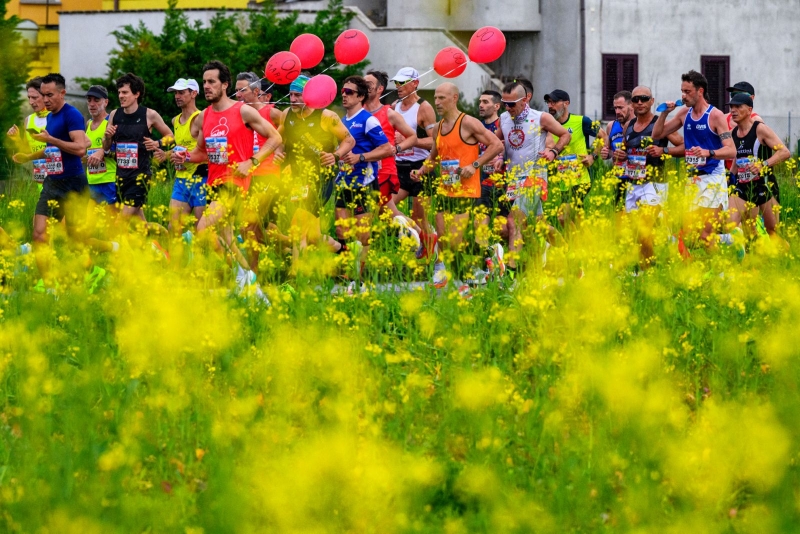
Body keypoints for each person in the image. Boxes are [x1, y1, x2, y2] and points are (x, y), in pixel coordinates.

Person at [172, 60, 281, 302]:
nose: (207, 86)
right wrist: (185, 156)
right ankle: (252, 288)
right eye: (204, 82)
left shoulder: (243, 111)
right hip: (214, 182)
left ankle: (243, 280)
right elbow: (202, 153)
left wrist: (253, 162)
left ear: (225, 85)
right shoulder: (203, 118)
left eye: (212, 82)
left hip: (235, 182)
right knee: (227, 238)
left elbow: (275, 137)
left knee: (203, 229)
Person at [11, 73, 107, 289]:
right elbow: (50, 148)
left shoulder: (71, 115)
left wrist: (51, 139)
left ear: (62, 93)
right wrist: (29, 156)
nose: (45, 100)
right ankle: (49, 286)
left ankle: (94, 273)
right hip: (51, 182)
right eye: (42, 95)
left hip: (73, 183)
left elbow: (80, 147)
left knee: (74, 242)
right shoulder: (51, 117)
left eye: (49, 95)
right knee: (38, 234)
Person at [411, 82, 503, 289]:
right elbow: (434, 157)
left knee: (454, 241)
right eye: (435, 98)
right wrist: (421, 171)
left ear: (454, 99)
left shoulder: (468, 123)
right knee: (443, 238)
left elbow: (497, 145)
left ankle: (477, 268)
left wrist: (475, 164)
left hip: (467, 190)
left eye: (442, 98)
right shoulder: (437, 129)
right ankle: (463, 267)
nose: (437, 102)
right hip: (445, 187)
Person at [653, 70, 737, 251]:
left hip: (712, 177)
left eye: (687, 91)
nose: (683, 96)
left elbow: (731, 150)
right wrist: (664, 114)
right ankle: (730, 239)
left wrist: (709, 153)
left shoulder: (715, 115)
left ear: (700, 91)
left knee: (705, 234)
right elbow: (657, 134)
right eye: (682, 91)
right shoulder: (684, 114)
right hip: (692, 179)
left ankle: (719, 276)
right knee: (691, 236)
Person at [495, 81, 571, 278]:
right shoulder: (503, 118)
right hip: (513, 178)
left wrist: (553, 151)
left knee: (514, 221)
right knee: (539, 225)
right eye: (505, 103)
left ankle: (510, 274)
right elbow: (498, 141)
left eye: (512, 104)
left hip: (535, 175)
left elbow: (564, 135)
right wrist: (497, 157)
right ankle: (572, 259)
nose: (508, 108)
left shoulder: (540, 117)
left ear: (525, 99)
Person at [274, 75, 355, 255]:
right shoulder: (287, 114)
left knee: (298, 225)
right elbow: (279, 138)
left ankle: (298, 278)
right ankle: (343, 252)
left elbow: (349, 140)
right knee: (312, 236)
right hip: (297, 178)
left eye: (297, 95)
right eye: (290, 95)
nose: (292, 100)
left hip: (321, 178)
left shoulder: (326, 116)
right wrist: (278, 151)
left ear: (309, 96)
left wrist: (336, 155)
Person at [616, 85, 685, 267]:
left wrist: (663, 150)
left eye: (644, 99)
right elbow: (625, 151)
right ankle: (648, 270)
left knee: (644, 230)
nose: (640, 102)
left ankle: (650, 270)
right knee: (637, 233)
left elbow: (684, 146)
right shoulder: (629, 126)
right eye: (636, 99)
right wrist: (621, 155)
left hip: (654, 184)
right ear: (631, 104)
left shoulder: (659, 124)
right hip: (633, 183)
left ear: (652, 101)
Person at [335, 76, 393, 280]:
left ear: (360, 96)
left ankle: (357, 276)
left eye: (349, 92)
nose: (344, 95)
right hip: (344, 181)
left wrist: (361, 157)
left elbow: (387, 149)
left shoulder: (368, 119)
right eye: (343, 91)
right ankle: (345, 270)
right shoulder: (342, 121)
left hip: (364, 182)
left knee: (362, 234)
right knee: (341, 229)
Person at [102, 72, 173, 231]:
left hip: (140, 177)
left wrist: (157, 143)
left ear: (136, 94)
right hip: (121, 177)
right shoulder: (115, 114)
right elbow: (106, 147)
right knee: (141, 226)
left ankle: (119, 252)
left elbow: (170, 136)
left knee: (120, 222)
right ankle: (164, 239)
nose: (121, 96)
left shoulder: (149, 114)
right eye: (119, 92)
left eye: (125, 92)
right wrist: (107, 137)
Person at [363, 70, 422, 249]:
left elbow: (412, 136)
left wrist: (396, 149)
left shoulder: (389, 113)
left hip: (383, 170)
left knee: (367, 218)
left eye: (369, 84)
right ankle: (424, 240)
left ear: (380, 89)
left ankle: (358, 271)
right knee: (389, 213)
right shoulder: (358, 112)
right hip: (363, 170)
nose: (364, 87)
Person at [235, 72, 284, 274]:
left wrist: (281, 148)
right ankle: (294, 247)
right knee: (261, 230)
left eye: (242, 90)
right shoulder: (238, 113)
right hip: (247, 175)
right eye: (236, 90)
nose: (237, 94)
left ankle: (252, 273)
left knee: (248, 226)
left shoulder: (270, 112)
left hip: (267, 174)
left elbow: (290, 124)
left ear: (256, 92)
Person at [389, 67, 439, 258]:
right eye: (396, 82)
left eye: (402, 82)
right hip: (399, 167)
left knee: (421, 216)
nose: (398, 86)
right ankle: (420, 236)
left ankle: (434, 259)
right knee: (385, 209)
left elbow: (435, 143)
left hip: (420, 167)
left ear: (415, 83)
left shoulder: (424, 108)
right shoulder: (394, 107)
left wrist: (411, 141)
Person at [728, 93, 790, 238]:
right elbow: (738, 159)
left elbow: (785, 152)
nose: (733, 110)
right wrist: (730, 178)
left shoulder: (760, 129)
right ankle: (744, 256)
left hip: (765, 184)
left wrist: (763, 164)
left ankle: (779, 258)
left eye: (738, 106)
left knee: (773, 232)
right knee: (730, 225)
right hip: (743, 186)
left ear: (749, 110)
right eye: (731, 107)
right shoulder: (732, 133)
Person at [545, 89, 606, 228]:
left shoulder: (581, 120)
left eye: (554, 102)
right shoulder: (547, 125)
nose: (550, 106)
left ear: (566, 103)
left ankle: (575, 245)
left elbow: (603, 136)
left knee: (562, 216)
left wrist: (593, 156)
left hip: (581, 178)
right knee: (578, 219)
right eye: (548, 102)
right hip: (561, 180)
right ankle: (587, 245)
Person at [164, 78, 207, 237]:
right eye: (175, 93)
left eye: (181, 92)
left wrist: (187, 158)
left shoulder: (199, 118)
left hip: (200, 178)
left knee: (201, 230)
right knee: (173, 228)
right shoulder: (175, 120)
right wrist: (167, 154)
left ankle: (202, 260)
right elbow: (181, 147)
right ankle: (175, 262)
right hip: (181, 179)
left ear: (193, 93)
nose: (177, 96)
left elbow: (207, 151)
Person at [8, 77, 49, 192]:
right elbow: (27, 152)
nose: (31, 102)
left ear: (45, 96)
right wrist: (16, 139)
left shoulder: (55, 117)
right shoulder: (28, 120)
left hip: (59, 180)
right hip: (40, 179)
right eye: (29, 98)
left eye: (35, 97)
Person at [84, 85, 118, 210]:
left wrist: (102, 152)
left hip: (109, 181)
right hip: (92, 181)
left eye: (96, 100)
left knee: (113, 224)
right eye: (89, 100)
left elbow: (121, 149)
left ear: (106, 102)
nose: (92, 104)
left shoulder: (110, 121)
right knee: (91, 225)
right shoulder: (88, 124)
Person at [599, 90, 634, 208]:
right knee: (618, 215)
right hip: (618, 178)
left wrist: (628, 156)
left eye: (621, 108)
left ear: (631, 106)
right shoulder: (611, 126)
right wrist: (606, 153)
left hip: (636, 179)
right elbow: (609, 151)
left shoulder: (640, 125)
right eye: (615, 108)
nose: (617, 112)